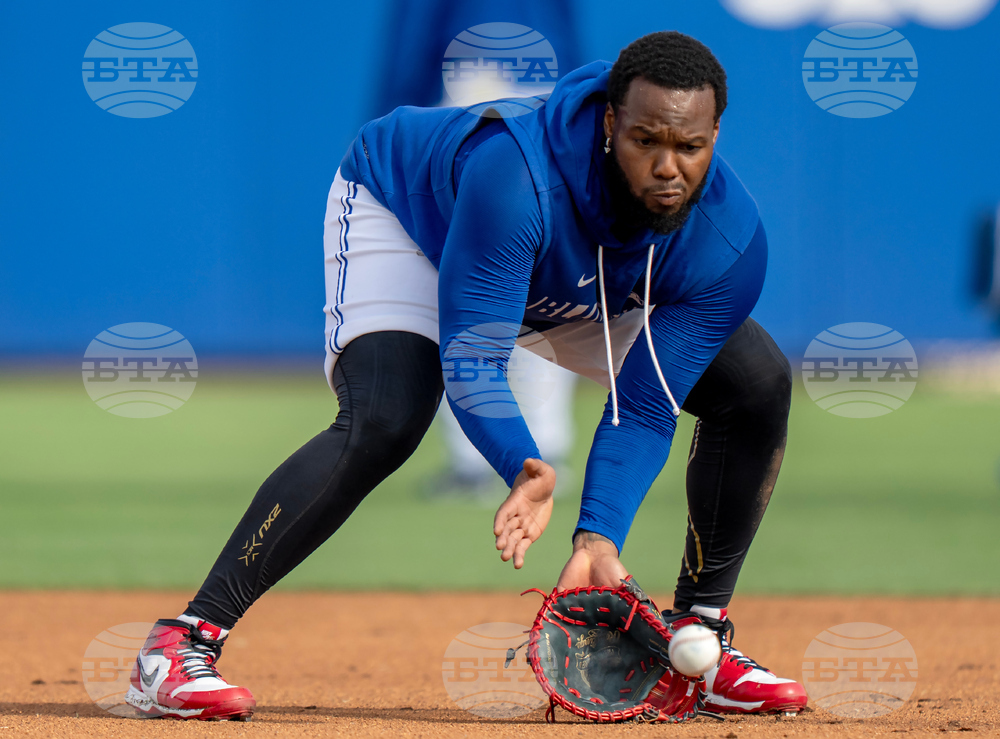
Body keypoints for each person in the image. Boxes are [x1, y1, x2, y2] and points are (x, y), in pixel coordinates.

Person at [125, 31, 806, 722]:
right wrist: (525, 464)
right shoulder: (517, 176)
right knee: (386, 417)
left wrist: (597, 534)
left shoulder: (730, 240)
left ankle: (701, 641)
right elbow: (473, 358)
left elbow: (646, 406)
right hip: (415, 223)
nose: (668, 167)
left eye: (689, 147)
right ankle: (180, 644)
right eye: (644, 140)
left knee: (755, 384)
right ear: (609, 123)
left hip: (582, 282)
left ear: (716, 133)